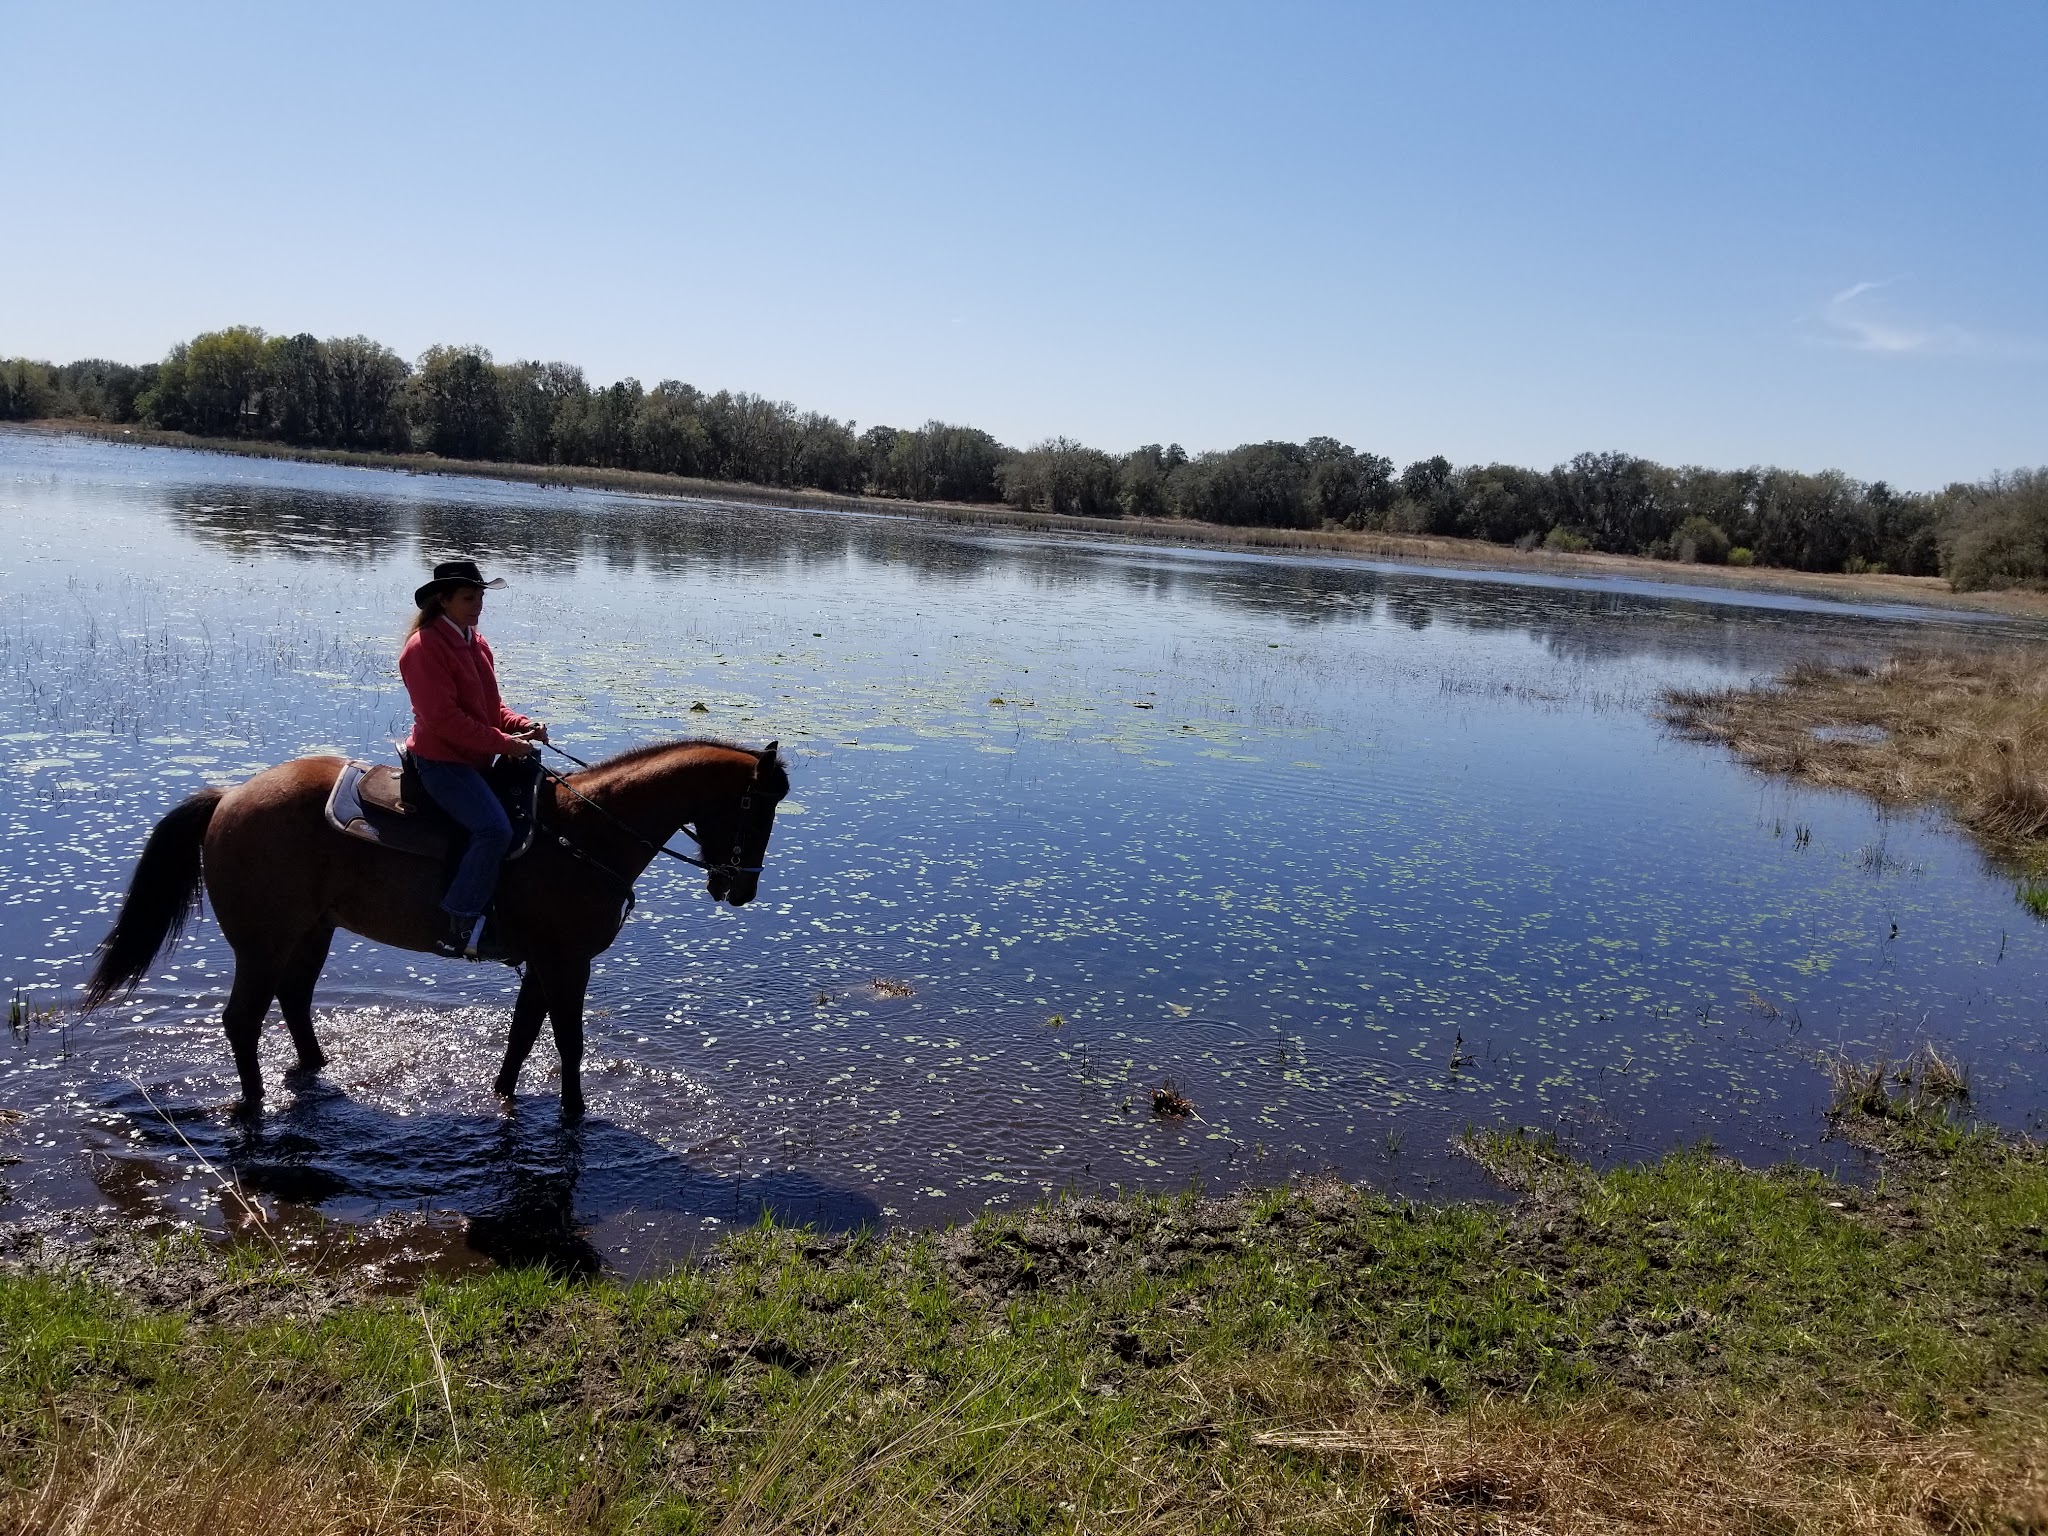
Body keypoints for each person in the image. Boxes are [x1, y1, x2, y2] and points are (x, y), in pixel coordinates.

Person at [398, 560, 548, 957]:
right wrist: (505, 743)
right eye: (469, 597)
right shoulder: (424, 647)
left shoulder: (475, 643)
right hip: (441, 762)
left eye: (481, 596)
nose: (478, 604)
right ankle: (458, 921)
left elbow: (490, 707)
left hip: (474, 760)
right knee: (494, 831)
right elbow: (445, 721)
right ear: (442, 600)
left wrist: (520, 724)